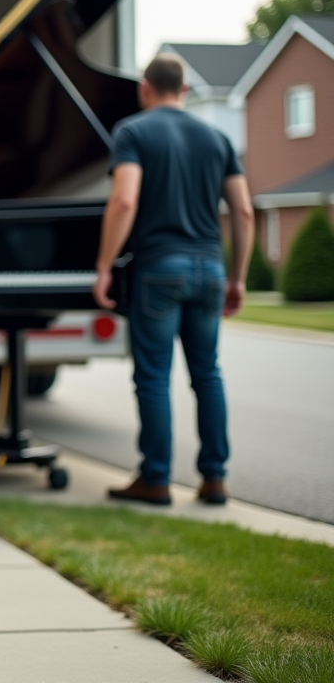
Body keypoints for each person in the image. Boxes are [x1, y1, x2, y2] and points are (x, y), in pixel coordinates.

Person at [93, 54, 254, 507]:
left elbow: (124, 201)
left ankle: (156, 479)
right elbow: (243, 211)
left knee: (153, 377)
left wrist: (104, 266)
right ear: (184, 90)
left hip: (159, 268)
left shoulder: (133, 131)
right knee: (207, 373)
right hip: (210, 269)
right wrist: (238, 277)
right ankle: (214, 479)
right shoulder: (218, 139)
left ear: (144, 88)